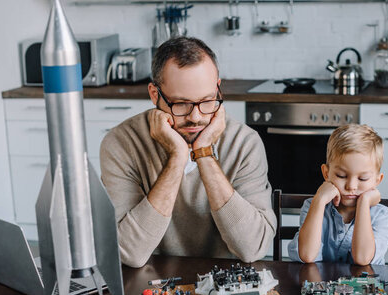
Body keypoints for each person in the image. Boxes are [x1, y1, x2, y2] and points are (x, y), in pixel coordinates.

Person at [100, 37, 276, 268]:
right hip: (151, 284)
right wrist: (177, 158)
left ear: (217, 88)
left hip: (226, 284)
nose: (195, 117)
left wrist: (204, 154)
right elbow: (130, 253)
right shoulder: (120, 143)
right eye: (181, 104)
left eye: (207, 101)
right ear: (155, 94)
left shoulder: (244, 143)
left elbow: (252, 248)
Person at [287, 124, 388, 265]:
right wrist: (319, 200)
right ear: (326, 173)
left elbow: (362, 258)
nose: (351, 186)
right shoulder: (313, 206)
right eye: (341, 176)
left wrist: (364, 202)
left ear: (377, 180)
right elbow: (307, 255)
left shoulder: (382, 215)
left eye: (362, 179)